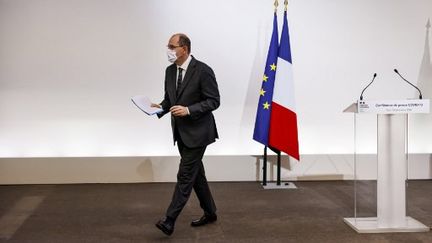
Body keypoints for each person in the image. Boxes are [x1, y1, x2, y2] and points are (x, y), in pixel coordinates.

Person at [152, 33, 220, 236]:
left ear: (185, 48)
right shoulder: (169, 71)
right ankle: (210, 212)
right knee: (196, 174)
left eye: (172, 47)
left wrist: (189, 110)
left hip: (199, 132)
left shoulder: (203, 70)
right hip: (181, 133)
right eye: (168, 46)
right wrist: (158, 107)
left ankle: (169, 220)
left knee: (185, 175)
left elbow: (214, 101)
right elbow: (169, 100)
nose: (169, 50)